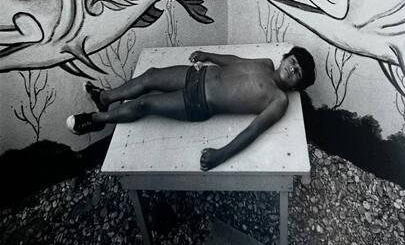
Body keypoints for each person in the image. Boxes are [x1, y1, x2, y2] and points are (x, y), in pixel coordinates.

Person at [66, 47, 316, 171]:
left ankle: (98, 119)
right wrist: (209, 55)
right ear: (285, 58)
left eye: (297, 73)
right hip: (197, 74)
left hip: (200, 102)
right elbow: (235, 62)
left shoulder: (279, 100)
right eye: (292, 62)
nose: (292, 70)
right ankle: (106, 97)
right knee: (150, 76)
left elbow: (253, 131)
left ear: (297, 85)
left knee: (146, 103)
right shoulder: (265, 63)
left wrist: (221, 155)